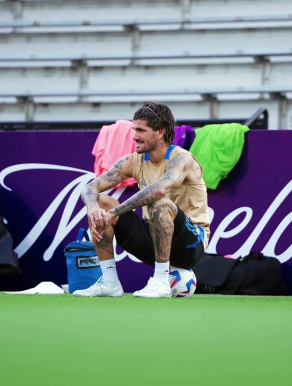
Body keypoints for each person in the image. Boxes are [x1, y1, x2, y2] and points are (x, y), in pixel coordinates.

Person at [74, 102, 210, 298]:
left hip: (190, 244)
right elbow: (90, 187)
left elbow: (159, 189)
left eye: (141, 130)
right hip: (154, 240)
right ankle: (110, 282)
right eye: (134, 129)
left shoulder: (182, 159)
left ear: (160, 132)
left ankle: (161, 282)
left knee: (158, 201)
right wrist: (93, 207)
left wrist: (113, 213)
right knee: (102, 202)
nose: (134, 136)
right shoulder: (134, 160)